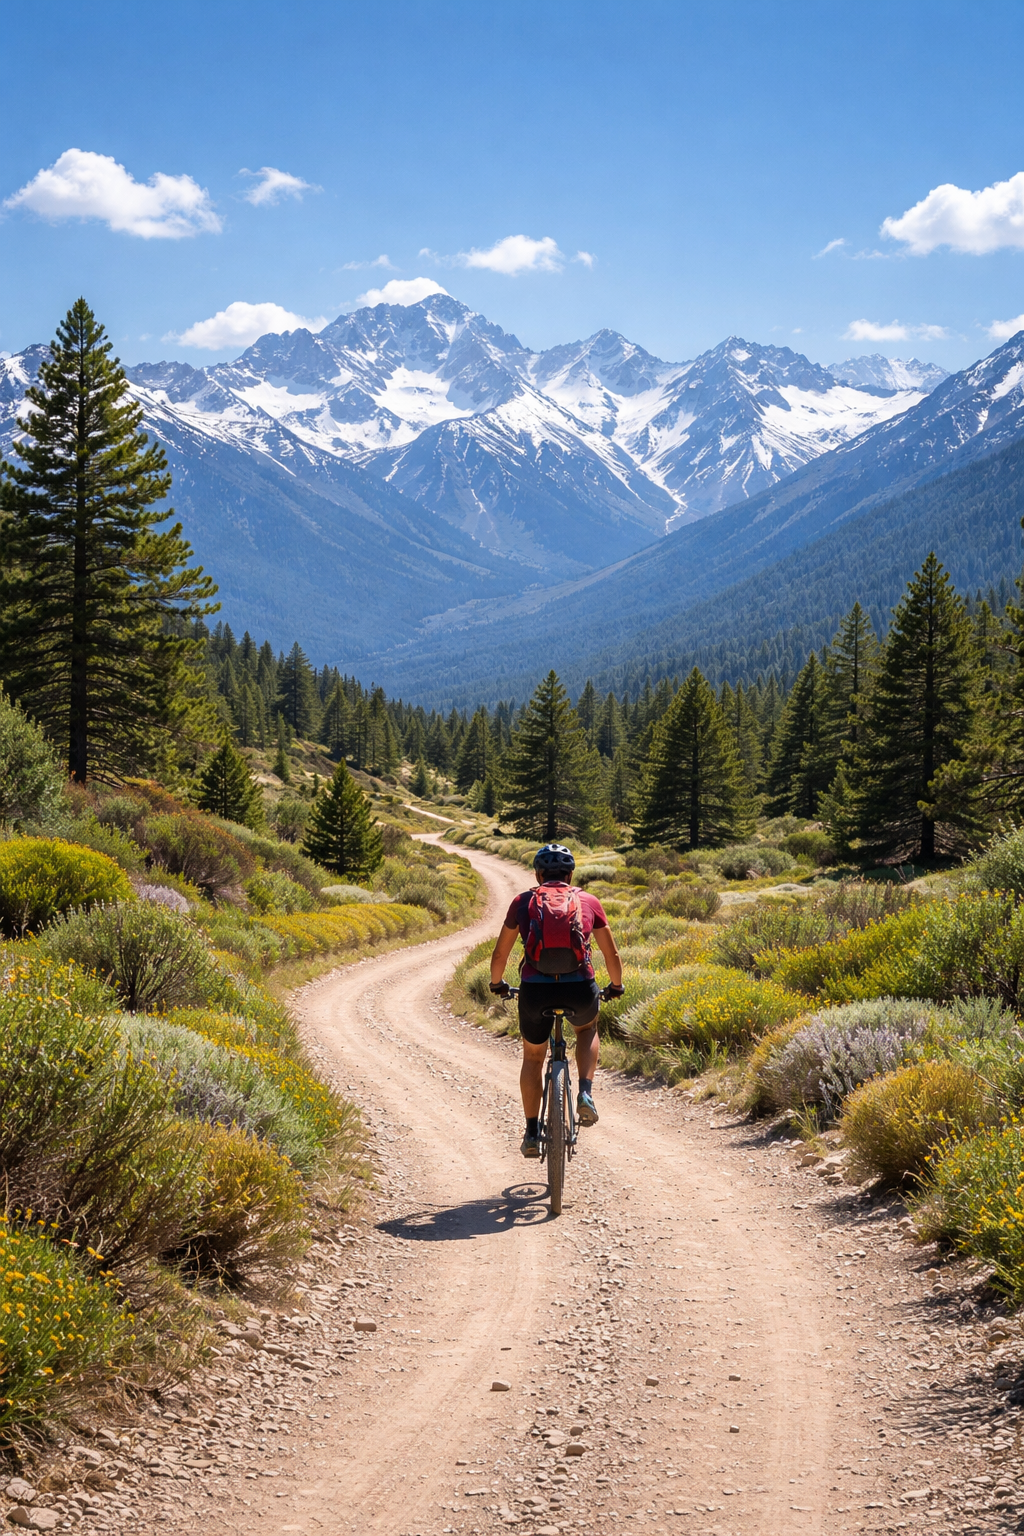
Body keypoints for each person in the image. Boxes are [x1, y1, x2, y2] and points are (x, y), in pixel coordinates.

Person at [489, 843, 624, 1158]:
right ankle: (586, 1094)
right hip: (580, 987)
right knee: (587, 1029)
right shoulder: (588, 901)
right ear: (570, 873)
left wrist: (497, 983)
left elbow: (500, 953)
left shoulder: (523, 902)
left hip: (535, 990)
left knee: (534, 1058)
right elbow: (611, 953)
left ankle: (532, 1131)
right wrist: (615, 985)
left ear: (538, 874)